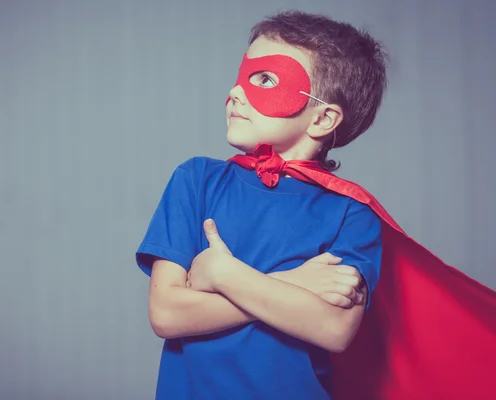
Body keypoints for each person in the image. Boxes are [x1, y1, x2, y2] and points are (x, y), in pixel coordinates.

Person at [136, 10, 496, 400]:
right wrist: (294, 281)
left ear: (323, 118)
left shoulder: (351, 213)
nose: (236, 92)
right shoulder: (197, 181)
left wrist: (224, 276)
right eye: (242, 76)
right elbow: (167, 313)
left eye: (266, 79)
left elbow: (334, 329)